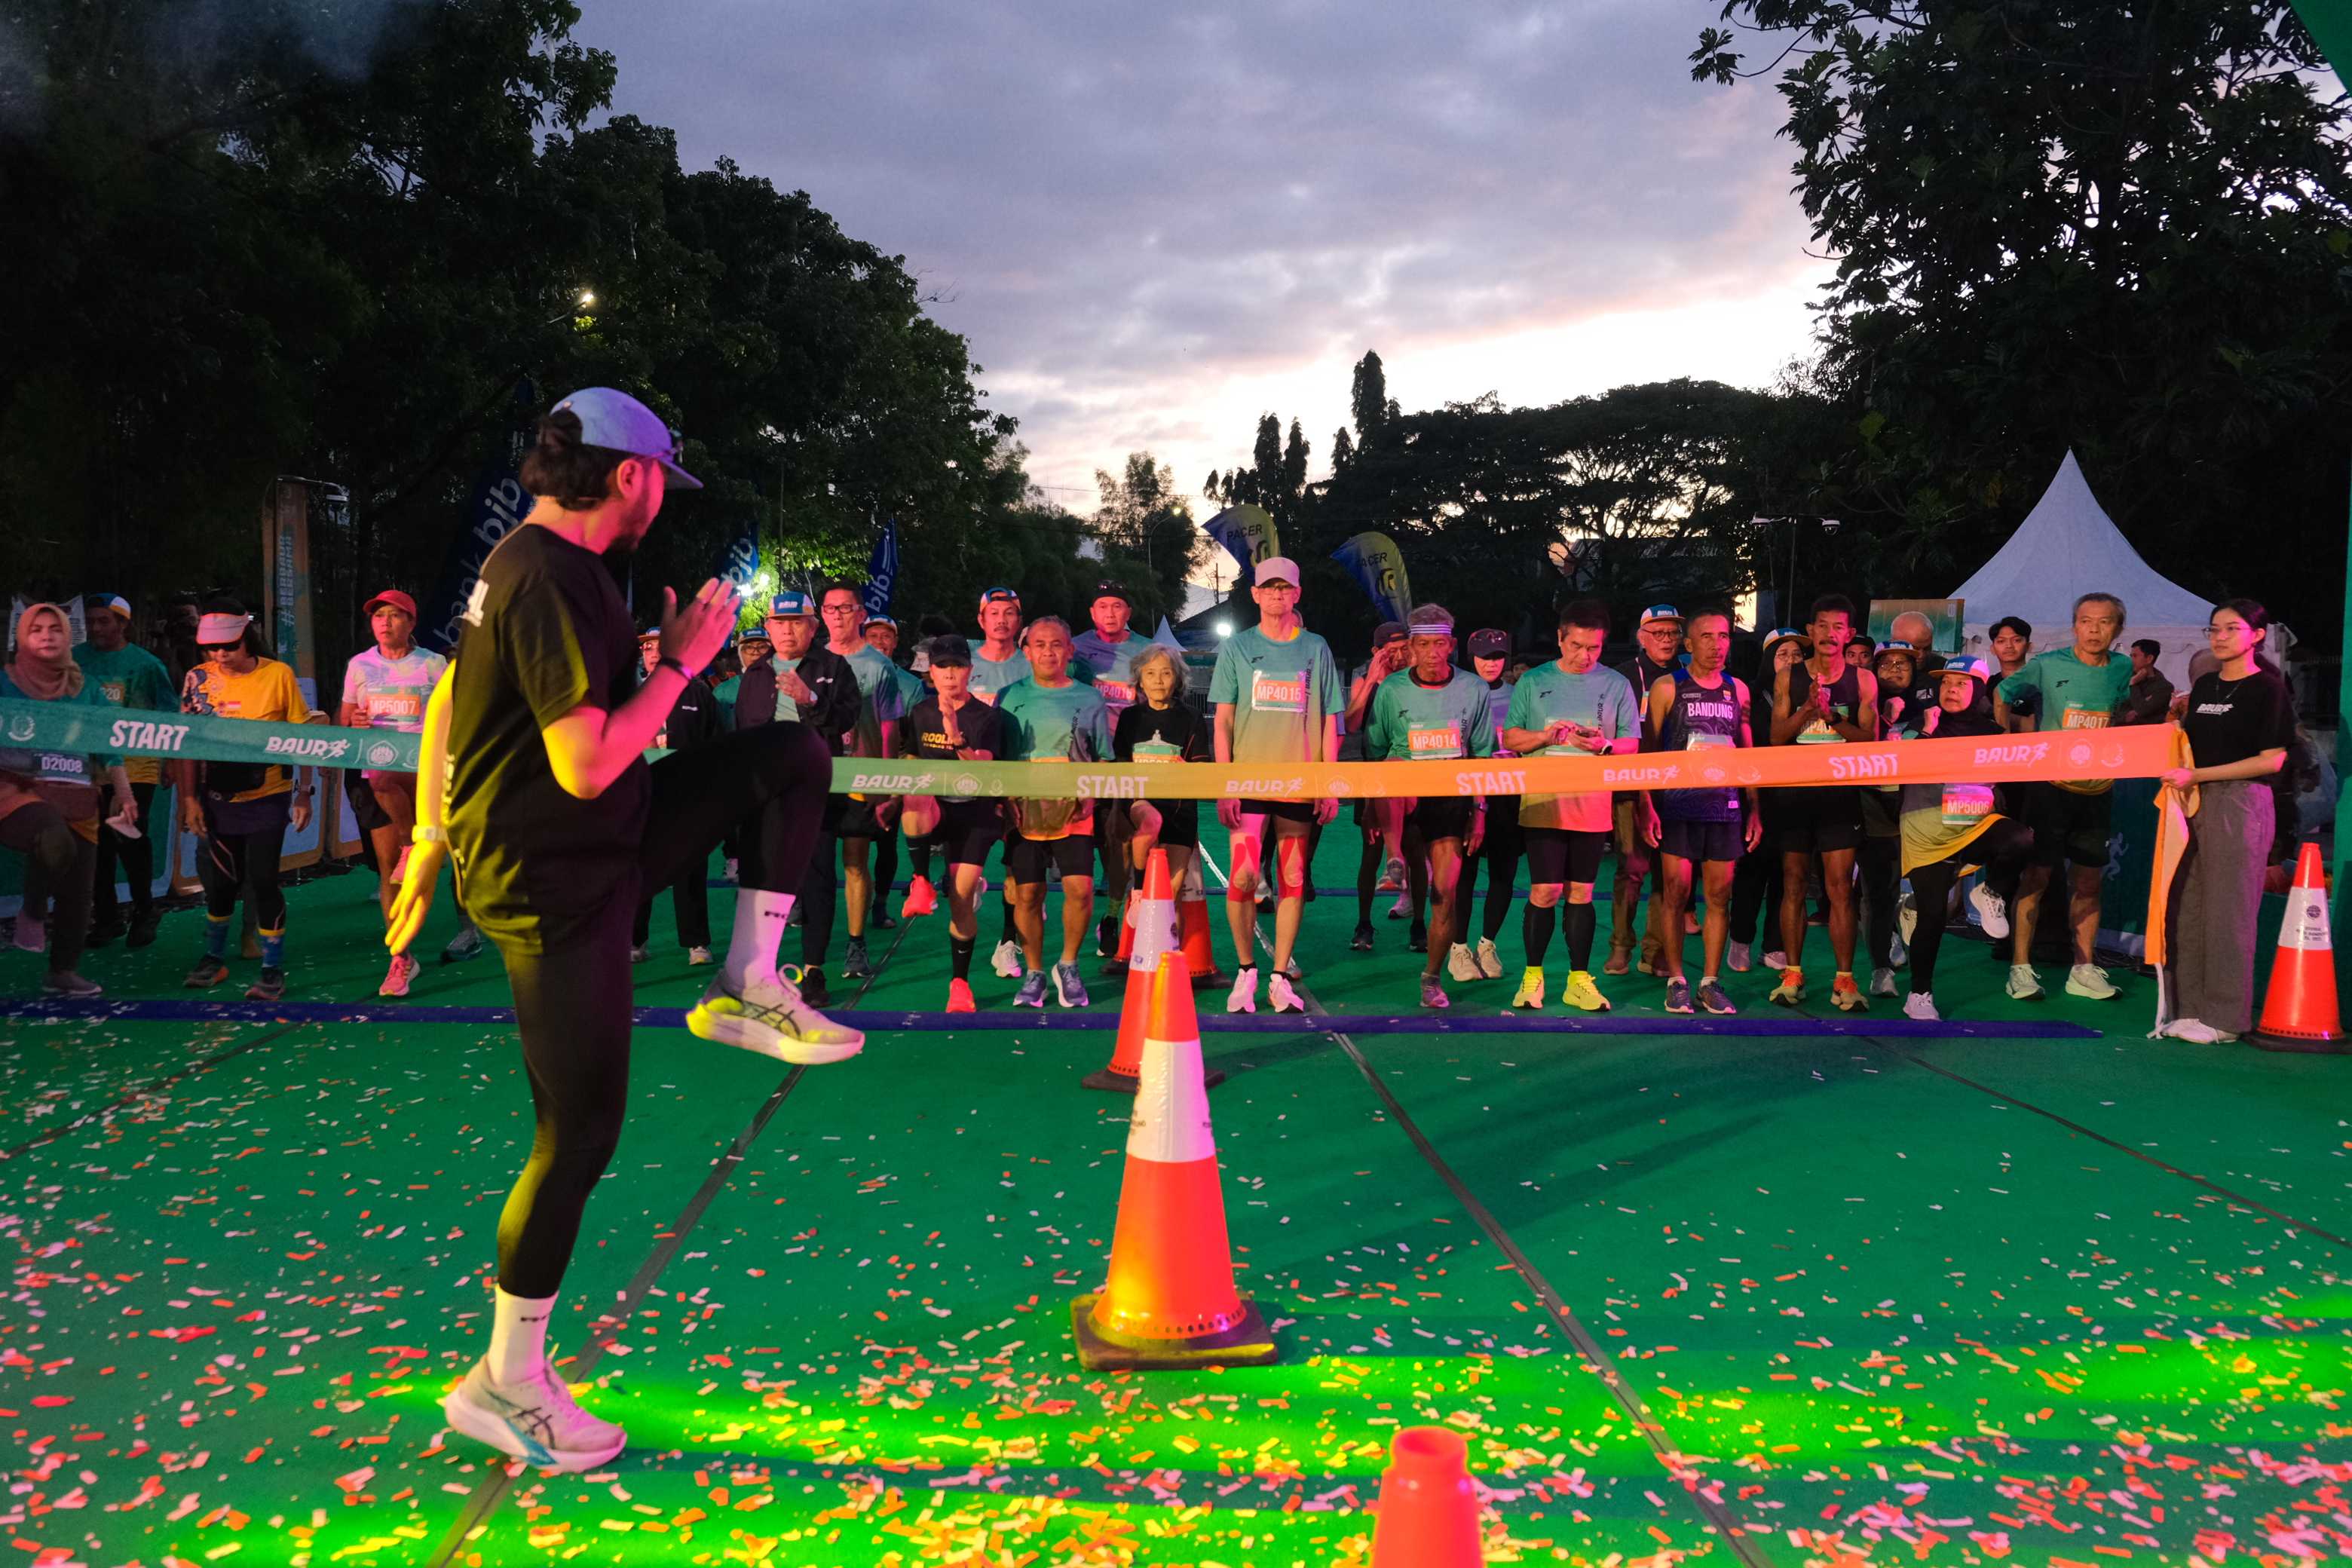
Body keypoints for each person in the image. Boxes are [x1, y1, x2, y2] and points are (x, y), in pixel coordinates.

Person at [393, 387, 858, 1475]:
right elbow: (587, 761)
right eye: (664, 483)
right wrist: (681, 666)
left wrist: (425, 833)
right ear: (632, 474)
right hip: (554, 880)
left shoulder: (540, 562)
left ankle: (747, 980)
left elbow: (455, 696)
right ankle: (505, 1381)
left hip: (604, 840)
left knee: (793, 757)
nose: (665, 504)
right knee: (579, 1135)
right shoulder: (550, 573)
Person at [2156, 600, 2295, 1043]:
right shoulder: (2205, 685)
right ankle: (2190, 1009)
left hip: (2241, 802)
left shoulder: (2268, 689)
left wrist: (2199, 775)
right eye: (2214, 629)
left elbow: (2272, 760)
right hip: (2193, 800)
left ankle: (2226, 1019)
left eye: (2231, 629)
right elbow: (2191, 746)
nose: (2219, 637)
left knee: (2229, 911)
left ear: (2257, 636)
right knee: (2188, 906)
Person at [1209, 556, 1344, 1014]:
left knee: (1292, 877)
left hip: (1299, 784)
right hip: (1249, 783)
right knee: (1244, 876)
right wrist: (1226, 784)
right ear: (1255, 595)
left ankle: (1280, 975)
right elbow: (1223, 721)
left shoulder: (1316, 648)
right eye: (1269, 587)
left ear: (1297, 594)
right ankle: (1246, 970)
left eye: (1285, 588)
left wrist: (1327, 783)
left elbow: (1329, 720)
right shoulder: (1238, 647)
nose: (1277, 595)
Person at [1499, 599, 1640, 1012]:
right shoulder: (1533, 681)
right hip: (1543, 802)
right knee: (1544, 891)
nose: (1585, 656)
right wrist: (1546, 737)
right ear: (1560, 639)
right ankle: (1533, 978)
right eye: (1577, 645)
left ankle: (1579, 980)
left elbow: (1632, 743)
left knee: (1582, 893)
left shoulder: (1616, 684)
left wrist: (1605, 746)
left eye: (1594, 648)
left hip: (1592, 804)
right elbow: (1511, 737)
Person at [1995, 591, 2133, 1002]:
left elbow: (2117, 712)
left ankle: (2083, 969)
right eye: (2086, 621)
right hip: (2050, 790)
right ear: (2074, 626)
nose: (2094, 630)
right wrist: (2005, 746)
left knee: (2089, 883)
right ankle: (2020, 968)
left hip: (2098, 791)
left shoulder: (2122, 667)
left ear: (2118, 629)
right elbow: (2003, 693)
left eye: (2104, 622)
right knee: (2037, 877)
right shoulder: (2047, 664)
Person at [176, 606, 317, 1002]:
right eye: (211, 648)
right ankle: (213, 957)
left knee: (263, 879)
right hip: (218, 798)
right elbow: (186, 742)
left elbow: (303, 737)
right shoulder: (197, 679)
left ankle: (272, 968)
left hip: (268, 795)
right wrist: (188, 799)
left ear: (247, 639)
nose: (220, 654)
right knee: (221, 883)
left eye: (229, 645)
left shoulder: (278, 675)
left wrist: (304, 792)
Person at [1362, 605, 1496, 1009]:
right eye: (1423, 645)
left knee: (1444, 896)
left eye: (1439, 644)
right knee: (1393, 763)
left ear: (1451, 645)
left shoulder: (1474, 689)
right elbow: (1376, 751)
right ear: (1411, 647)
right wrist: (1372, 807)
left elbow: (1483, 757)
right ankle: (1395, 860)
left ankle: (1432, 978)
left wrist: (1479, 814)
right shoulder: (1392, 689)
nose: (1432, 653)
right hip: (1402, 796)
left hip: (1451, 801)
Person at [732, 590, 862, 1005]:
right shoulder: (755, 674)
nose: (788, 631)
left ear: (813, 626)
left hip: (814, 791)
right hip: (766, 794)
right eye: (780, 623)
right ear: (768, 627)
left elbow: (847, 718)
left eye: (797, 622)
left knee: (818, 878)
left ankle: (814, 971)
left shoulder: (833, 667)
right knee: (763, 881)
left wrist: (810, 699)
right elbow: (743, 732)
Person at [2, 602, 136, 997]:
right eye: (37, 629)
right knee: (53, 839)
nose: (47, 636)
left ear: (67, 636)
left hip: (77, 793)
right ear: (22, 637)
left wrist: (124, 792)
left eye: (55, 629)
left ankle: (62, 972)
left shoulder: (85, 688)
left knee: (78, 890)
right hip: (17, 791)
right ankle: (32, 910)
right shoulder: (5, 683)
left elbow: (109, 745)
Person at [1895, 657, 2037, 1021]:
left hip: (1972, 824)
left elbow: (2015, 778)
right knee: (1933, 916)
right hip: (1927, 831)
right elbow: (1897, 766)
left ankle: (1990, 892)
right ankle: (1919, 994)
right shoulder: (1921, 724)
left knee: (2020, 838)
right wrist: (1926, 731)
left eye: (1961, 684)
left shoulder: (1993, 733)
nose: (1951, 690)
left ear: (1978, 690)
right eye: (1946, 683)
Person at [1637, 608, 1759, 1015]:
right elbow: (1647, 752)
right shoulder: (1667, 687)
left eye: (1724, 636)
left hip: (1724, 807)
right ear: (1689, 644)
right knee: (1676, 893)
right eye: (1707, 636)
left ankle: (1710, 982)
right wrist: (1646, 805)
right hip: (1677, 806)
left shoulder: (1738, 690)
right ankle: (1676, 980)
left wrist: (1754, 808)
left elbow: (1748, 753)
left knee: (1720, 895)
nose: (1717, 645)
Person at [340, 588, 457, 997]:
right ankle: (401, 958)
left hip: (423, 774)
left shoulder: (433, 664)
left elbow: (453, 715)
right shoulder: (359, 665)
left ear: (411, 622)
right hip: (378, 775)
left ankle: (471, 926)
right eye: (378, 616)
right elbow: (344, 720)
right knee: (391, 867)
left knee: (435, 867)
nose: (385, 622)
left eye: (394, 615)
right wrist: (354, 721)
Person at [1768, 594, 1879, 1012]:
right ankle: (1792, 974)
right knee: (1793, 884)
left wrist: (1832, 717)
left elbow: (1869, 742)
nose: (1830, 634)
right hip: (1795, 794)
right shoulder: (1788, 677)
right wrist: (1808, 709)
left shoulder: (1863, 680)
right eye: (1823, 626)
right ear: (1811, 631)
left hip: (1840, 797)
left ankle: (1845, 980)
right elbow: (1776, 738)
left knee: (1840, 889)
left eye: (1839, 627)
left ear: (1849, 634)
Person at [996, 617, 1113, 1008]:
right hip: (1023, 811)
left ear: (1070, 650)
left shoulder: (1090, 698)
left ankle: (1069, 965)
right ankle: (1034, 973)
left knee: (1080, 890)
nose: (1048, 652)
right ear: (1026, 651)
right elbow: (999, 757)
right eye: (1040, 645)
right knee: (1028, 894)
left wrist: (1090, 795)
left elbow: (1103, 758)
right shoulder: (1008, 696)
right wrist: (1006, 799)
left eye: (1057, 644)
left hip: (1075, 810)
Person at [884, 635, 1004, 1013]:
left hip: (974, 814)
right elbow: (910, 760)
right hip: (935, 811)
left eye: (957, 666)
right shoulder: (920, 713)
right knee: (916, 793)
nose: (950, 674)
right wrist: (890, 797)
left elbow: (984, 766)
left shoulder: (988, 716)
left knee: (961, 899)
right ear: (931, 672)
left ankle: (960, 983)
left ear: (970, 670)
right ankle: (920, 882)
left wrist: (956, 738)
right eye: (942, 667)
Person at [75, 594, 175, 950]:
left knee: (128, 835)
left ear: (123, 623)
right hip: (89, 763)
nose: (96, 628)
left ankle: (145, 910)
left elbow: (170, 713)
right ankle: (107, 918)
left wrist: (171, 760)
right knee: (94, 842)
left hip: (136, 763)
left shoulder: (146, 665)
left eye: (104, 621)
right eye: (91, 621)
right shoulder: (76, 659)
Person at [819, 583, 905, 985]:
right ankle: (812, 947)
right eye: (831, 608)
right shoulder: (810, 661)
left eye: (845, 608)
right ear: (822, 615)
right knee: (814, 867)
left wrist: (886, 786)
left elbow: (889, 730)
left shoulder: (879, 666)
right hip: (818, 778)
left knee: (855, 862)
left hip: (860, 778)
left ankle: (856, 943)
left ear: (860, 614)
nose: (838, 615)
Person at [627, 627, 727, 965]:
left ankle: (696, 943)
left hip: (687, 797)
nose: (654, 653)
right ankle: (634, 940)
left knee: (690, 870)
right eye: (648, 648)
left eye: (662, 647)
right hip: (640, 799)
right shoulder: (628, 694)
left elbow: (718, 744)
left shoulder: (698, 693)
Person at [1071, 581, 1152, 965]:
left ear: (1128, 613)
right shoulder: (1074, 647)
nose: (1109, 613)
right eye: (1102, 606)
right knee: (1076, 845)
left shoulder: (1147, 650)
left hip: (1127, 759)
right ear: (1092, 612)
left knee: (1121, 843)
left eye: (1117, 606)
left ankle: (1113, 917)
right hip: (1080, 759)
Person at [1608, 605, 1683, 976]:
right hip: (1630, 786)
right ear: (1641, 637)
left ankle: (1656, 950)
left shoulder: (1688, 674)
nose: (1666, 640)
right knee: (1632, 867)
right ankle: (1621, 945)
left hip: (1678, 786)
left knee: (1669, 873)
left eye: (1672, 633)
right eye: (1658, 633)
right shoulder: (1622, 676)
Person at [1727, 627, 1805, 972]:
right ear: (1768, 659)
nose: (1790, 660)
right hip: (1756, 795)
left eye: (1797, 654)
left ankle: (1774, 945)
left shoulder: (1811, 694)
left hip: (1796, 795)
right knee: (1751, 871)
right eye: (1782, 654)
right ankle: (1741, 939)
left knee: (1788, 874)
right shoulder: (1751, 695)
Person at [967, 586, 1032, 978]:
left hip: (1016, 778)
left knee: (1015, 868)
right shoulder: (964, 661)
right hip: (970, 781)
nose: (1002, 620)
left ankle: (1007, 943)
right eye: (994, 613)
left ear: (1019, 621)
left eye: (1010, 613)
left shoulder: (1031, 662)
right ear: (981, 620)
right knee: (965, 870)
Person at [1115, 643, 1208, 905]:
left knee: (1170, 895)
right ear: (1140, 680)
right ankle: (1139, 890)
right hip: (1140, 801)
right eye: (1150, 673)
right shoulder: (1129, 717)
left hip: (1181, 810)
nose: (1158, 680)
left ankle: (1163, 929)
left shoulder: (1192, 717)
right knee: (1150, 824)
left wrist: (1185, 770)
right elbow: (1120, 764)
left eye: (1166, 673)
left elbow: (1202, 766)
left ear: (1177, 679)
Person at [1456, 628, 1521, 980]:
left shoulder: (1518, 695)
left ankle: (1487, 943)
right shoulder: (1460, 691)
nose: (1491, 663)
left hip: (1507, 795)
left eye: (1498, 657)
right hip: (1466, 793)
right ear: (1472, 658)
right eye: (1484, 657)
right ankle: (1458, 947)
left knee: (1503, 873)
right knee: (1463, 874)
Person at [1344, 621, 1412, 951]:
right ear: (1376, 652)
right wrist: (1373, 679)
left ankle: (1419, 923)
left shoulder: (1416, 680)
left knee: (1415, 848)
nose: (1399, 656)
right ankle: (1364, 923)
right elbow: (1351, 723)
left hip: (1411, 773)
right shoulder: (1364, 680)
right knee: (1370, 850)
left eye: (1405, 649)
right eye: (1391, 651)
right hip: (1373, 773)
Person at [1856, 641, 1918, 997]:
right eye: (1886, 663)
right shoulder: (1865, 705)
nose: (1894, 669)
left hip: (1921, 810)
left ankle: (1922, 980)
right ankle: (1881, 968)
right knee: (1878, 894)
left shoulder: (1932, 705)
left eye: (1902, 663)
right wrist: (1883, 719)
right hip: (1876, 812)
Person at [2115, 639, 2176, 726]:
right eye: (2131, 656)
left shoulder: (2164, 687)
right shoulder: (2123, 678)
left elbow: (2142, 710)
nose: (2131, 660)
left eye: (2135, 656)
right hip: (2119, 730)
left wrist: (2133, 684)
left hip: (2146, 732)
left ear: (2149, 659)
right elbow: (2112, 707)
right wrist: (2124, 717)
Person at [1988, 616, 2034, 731]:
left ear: (2029, 646)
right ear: (1992, 649)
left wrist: (1990, 711)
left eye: (2016, 640)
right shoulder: (1991, 683)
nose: (2009, 646)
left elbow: (2034, 727)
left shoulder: (2041, 681)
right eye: (2001, 641)